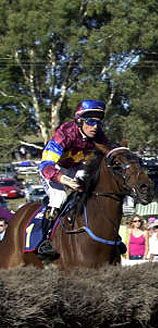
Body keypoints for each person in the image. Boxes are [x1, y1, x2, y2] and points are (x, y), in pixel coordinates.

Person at [36, 99, 112, 259]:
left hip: (76, 167)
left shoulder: (99, 136)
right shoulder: (64, 133)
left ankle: (109, 235)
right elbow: (46, 166)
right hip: (54, 169)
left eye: (98, 123)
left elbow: (109, 154)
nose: (95, 127)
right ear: (79, 121)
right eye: (91, 122)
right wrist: (63, 180)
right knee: (60, 196)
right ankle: (44, 241)